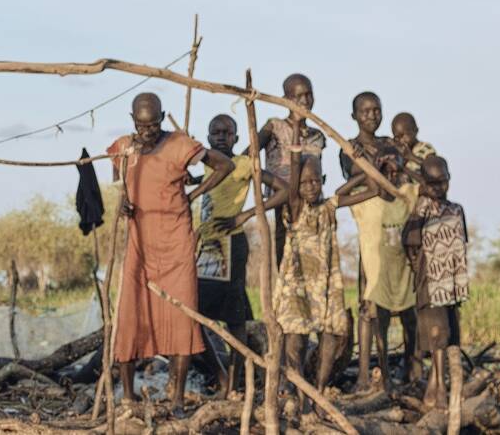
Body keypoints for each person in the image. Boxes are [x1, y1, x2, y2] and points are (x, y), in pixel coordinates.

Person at [108, 93, 235, 410]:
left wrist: (195, 192)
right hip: (140, 242)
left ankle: (176, 397)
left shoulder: (180, 144)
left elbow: (225, 165)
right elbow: (118, 179)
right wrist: (122, 199)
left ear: (162, 118)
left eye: (152, 125)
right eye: (141, 124)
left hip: (177, 243)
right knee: (129, 314)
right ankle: (128, 395)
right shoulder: (125, 147)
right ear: (133, 119)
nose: (146, 131)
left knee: (181, 318)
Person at [336, 147, 419, 396]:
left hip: (404, 275)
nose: (391, 177)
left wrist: (402, 166)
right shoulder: (366, 202)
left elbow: (426, 183)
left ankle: (411, 368)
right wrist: (369, 171)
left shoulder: (406, 197)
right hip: (378, 277)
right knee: (379, 328)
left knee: (410, 322)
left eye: (395, 173)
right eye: (386, 172)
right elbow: (338, 196)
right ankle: (384, 375)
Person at [190, 114, 257, 399]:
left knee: (234, 318)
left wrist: (245, 214)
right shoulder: (209, 164)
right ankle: (220, 373)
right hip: (207, 249)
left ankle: (234, 382)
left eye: (226, 132)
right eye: (215, 132)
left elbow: (280, 188)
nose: (220, 136)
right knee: (195, 316)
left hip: (231, 246)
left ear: (236, 138)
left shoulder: (243, 164)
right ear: (208, 138)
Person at [267, 156, 348, 391]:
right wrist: (295, 127)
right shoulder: (295, 206)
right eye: (303, 183)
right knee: (294, 336)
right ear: (296, 185)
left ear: (322, 180)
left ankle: (320, 389)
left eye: (315, 181)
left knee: (330, 331)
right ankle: (297, 390)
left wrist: (367, 169)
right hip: (297, 281)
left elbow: (373, 188)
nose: (310, 187)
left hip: (327, 280)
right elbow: (293, 166)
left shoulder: (330, 207)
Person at [404, 156, 470, 408]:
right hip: (431, 282)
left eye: (443, 182)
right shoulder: (422, 208)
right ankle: (439, 387)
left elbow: (460, 244)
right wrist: (418, 268)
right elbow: (409, 242)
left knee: (449, 334)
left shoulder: (456, 209)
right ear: (424, 184)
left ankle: (437, 385)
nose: (439, 188)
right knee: (437, 335)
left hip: (452, 284)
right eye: (433, 184)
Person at [258, 73, 325, 261]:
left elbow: (317, 169)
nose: (305, 100)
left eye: (308, 94)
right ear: (286, 100)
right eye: (298, 96)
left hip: (311, 202)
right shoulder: (274, 127)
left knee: (313, 256)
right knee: (286, 254)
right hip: (283, 201)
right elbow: (250, 156)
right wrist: (273, 183)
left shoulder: (317, 135)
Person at [391, 112, 438, 177]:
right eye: (397, 137)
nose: (401, 140)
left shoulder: (425, 148)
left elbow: (434, 167)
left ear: (415, 130)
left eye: (404, 135)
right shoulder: (399, 152)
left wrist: (412, 157)